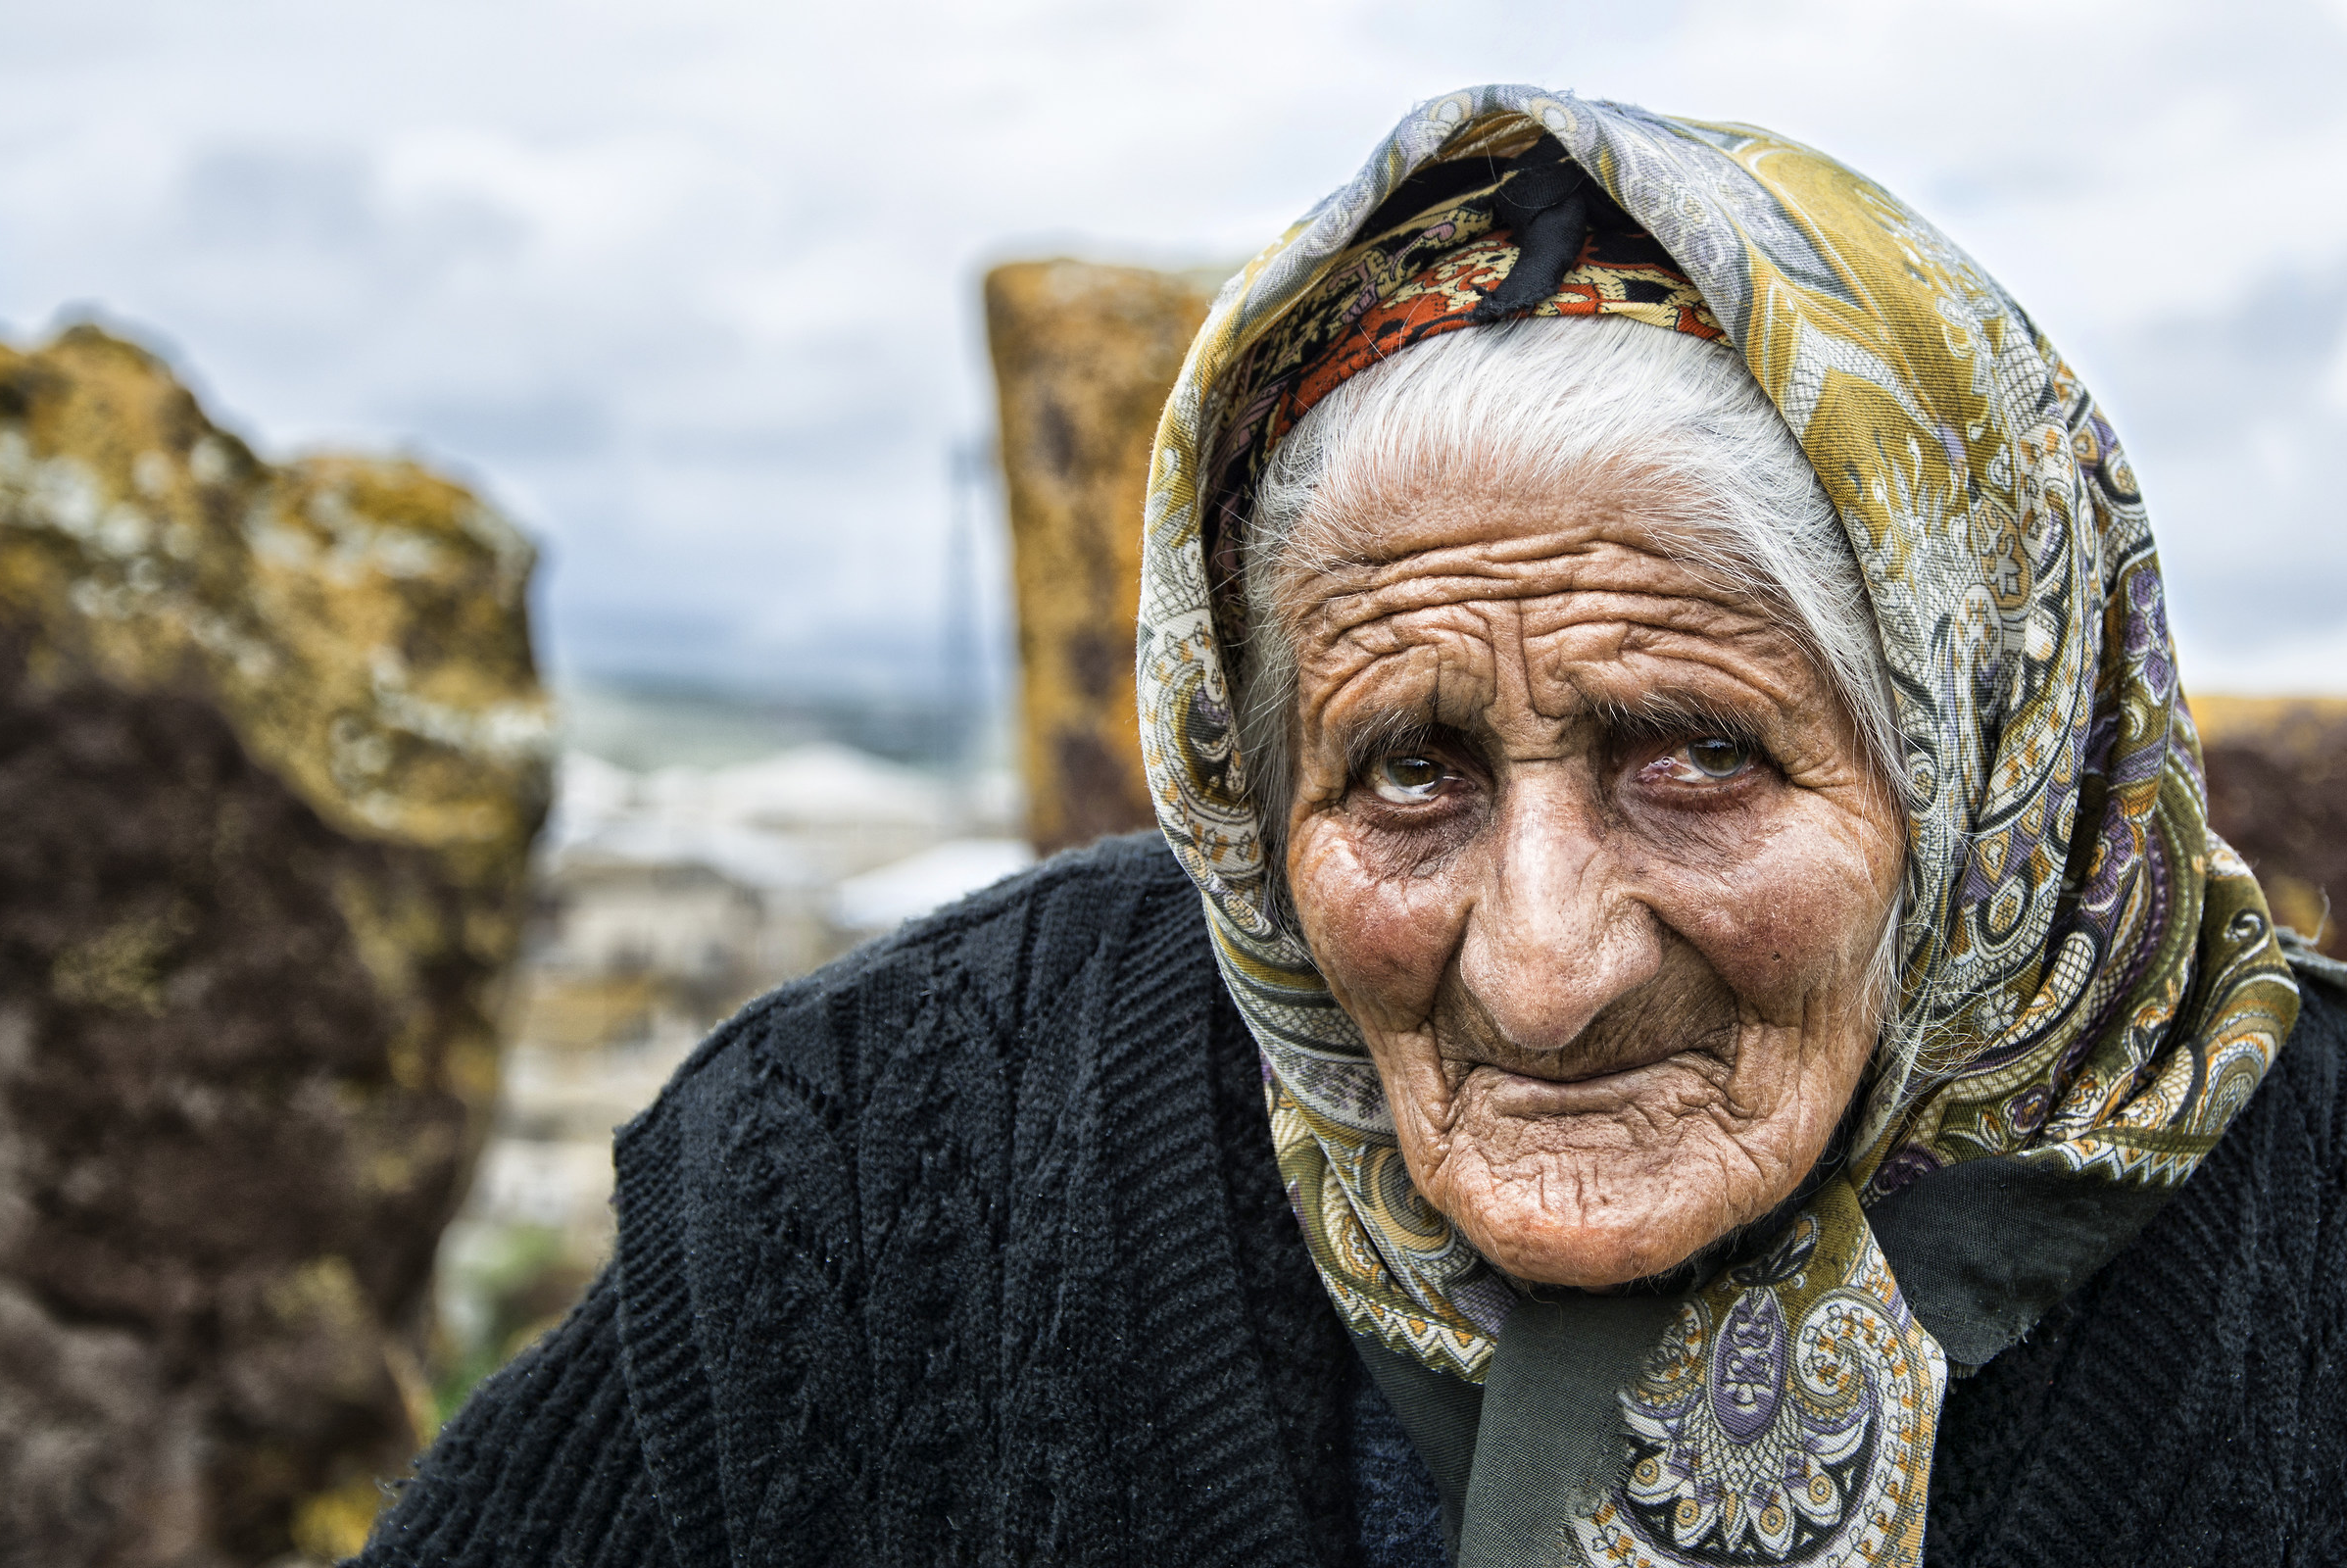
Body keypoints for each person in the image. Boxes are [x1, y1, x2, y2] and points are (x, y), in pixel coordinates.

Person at [357, 87, 2347, 1568]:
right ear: (1250, 792)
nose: (1545, 965)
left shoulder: (2314, 1240)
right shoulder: (877, 1158)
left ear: (1994, 758)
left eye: (1698, 757)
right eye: (1407, 770)